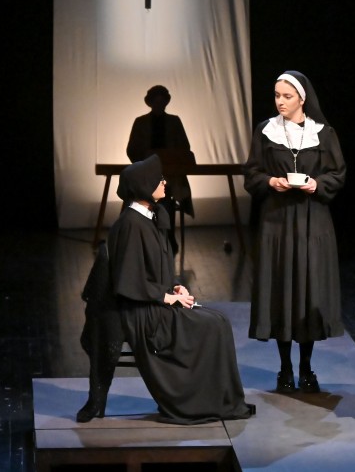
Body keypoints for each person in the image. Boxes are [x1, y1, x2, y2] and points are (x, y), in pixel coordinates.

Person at [108, 154, 255, 424]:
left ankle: (221, 399)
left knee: (219, 321)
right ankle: (199, 402)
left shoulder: (149, 218)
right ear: (144, 185)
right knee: (212, 325)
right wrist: (166, 298)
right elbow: (128, 281)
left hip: (154, 301)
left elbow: (154, 270)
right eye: (158, 179)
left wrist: (175, 287)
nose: (164, 182)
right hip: (142, 312)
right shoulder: (130, 224)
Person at [243, 70, 346, 394]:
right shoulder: (266, 131)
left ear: (302, 98)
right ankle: (285, 368)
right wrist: (271, 181)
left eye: (286, 96)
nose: (280, 101)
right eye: (277, 95)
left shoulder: (323, 133)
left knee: (308, 292)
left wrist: (317, 184)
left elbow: (338, 173)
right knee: (282, 292)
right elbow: (251, 174)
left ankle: (306, 367)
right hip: (277, 221)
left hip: (313, 221)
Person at [126, 85, 194, 255]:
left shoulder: (174, 122)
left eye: (161, 101)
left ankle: (167, 235)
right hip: (145, 175)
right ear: (150, 103)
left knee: (167, 196)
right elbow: (132, 149)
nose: (159, 104)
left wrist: (171, 159)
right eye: (156, 101)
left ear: (165, 102)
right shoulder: (140, 122)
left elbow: (184, 147)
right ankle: (146, 238)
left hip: (170, 174)